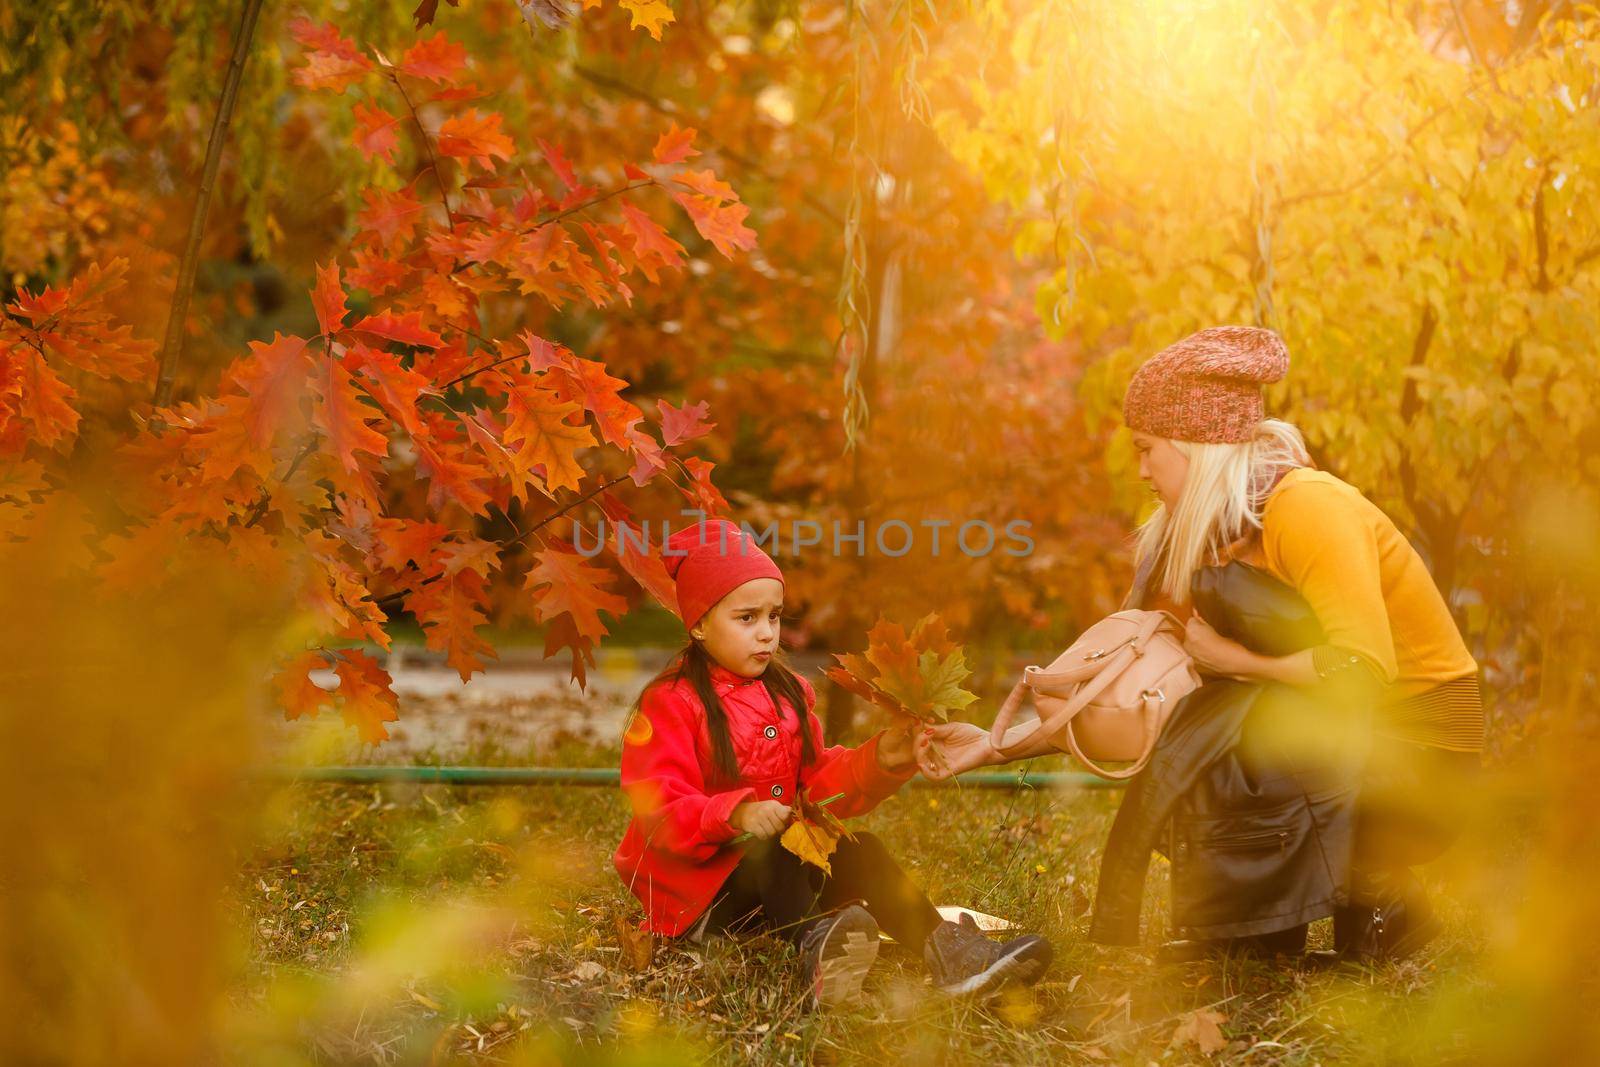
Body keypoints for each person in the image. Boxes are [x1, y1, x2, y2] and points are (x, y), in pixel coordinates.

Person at [919, 326, 1484, 961]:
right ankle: (1261, 934)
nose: (1140, 471)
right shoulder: (1200, 538)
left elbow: (1362, 671)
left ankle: (1381, 900)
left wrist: (1237, 661)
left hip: (1423, 761)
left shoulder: (1309, 509)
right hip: (1348, 744)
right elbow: (1131, 696)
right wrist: (993, 746)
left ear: (1195, 446)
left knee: (1211, 740)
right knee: (1192, 730)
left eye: (1147, 450)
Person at [614, 519, 1052, 1007]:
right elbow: (658, 808)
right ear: (697, 623)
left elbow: (817, 788)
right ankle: (821, 950)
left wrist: (882, 757)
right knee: (776, 846)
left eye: (774, 617)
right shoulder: (671, 702)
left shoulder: (788, 695)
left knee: (857, 848)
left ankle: (952, 954)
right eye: (747, 618)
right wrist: (735, 814)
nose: (766, 634)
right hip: (703, 897)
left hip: (777, 887)